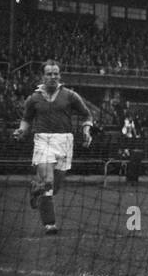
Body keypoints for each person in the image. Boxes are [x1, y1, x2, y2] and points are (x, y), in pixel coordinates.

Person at [11, 59, 93, 235]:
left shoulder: (70, 96)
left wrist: (86, 131)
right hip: (43, 140)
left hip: (65, 142)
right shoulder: (33, 98)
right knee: (48, 181)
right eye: (49, 73)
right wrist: (21, 130)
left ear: (60, 75)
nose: (53, 76)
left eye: (56, 73)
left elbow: (87, 115)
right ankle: (50, 224)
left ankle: (36, 188)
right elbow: (26, 119)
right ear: (43, 76)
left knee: (54, 187)